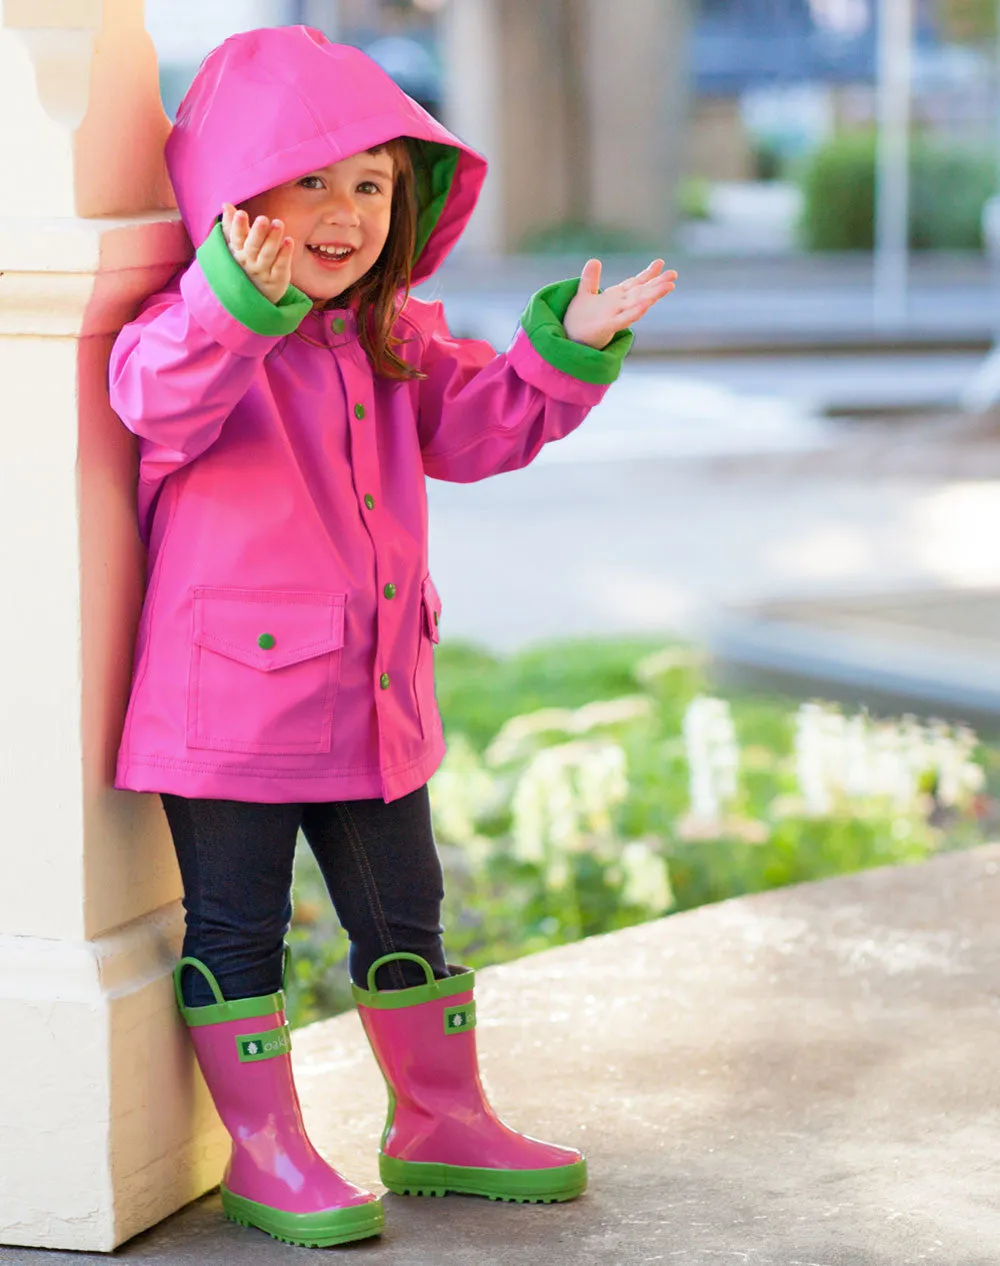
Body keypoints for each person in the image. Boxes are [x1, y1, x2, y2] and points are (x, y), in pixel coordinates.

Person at [109, 25, 676, 1251]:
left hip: (372, 706)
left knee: (405, 916)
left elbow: (473, 425)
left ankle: (440, 1121)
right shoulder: (193, 332)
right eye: (309, 178)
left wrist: (565, 349)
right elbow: (155, 392)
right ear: (233, 193)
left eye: (371, 184)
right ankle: (266, 1150)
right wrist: (237, 299)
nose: (345, 210)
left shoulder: (387, 336)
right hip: (232, 715)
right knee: (236, 929)